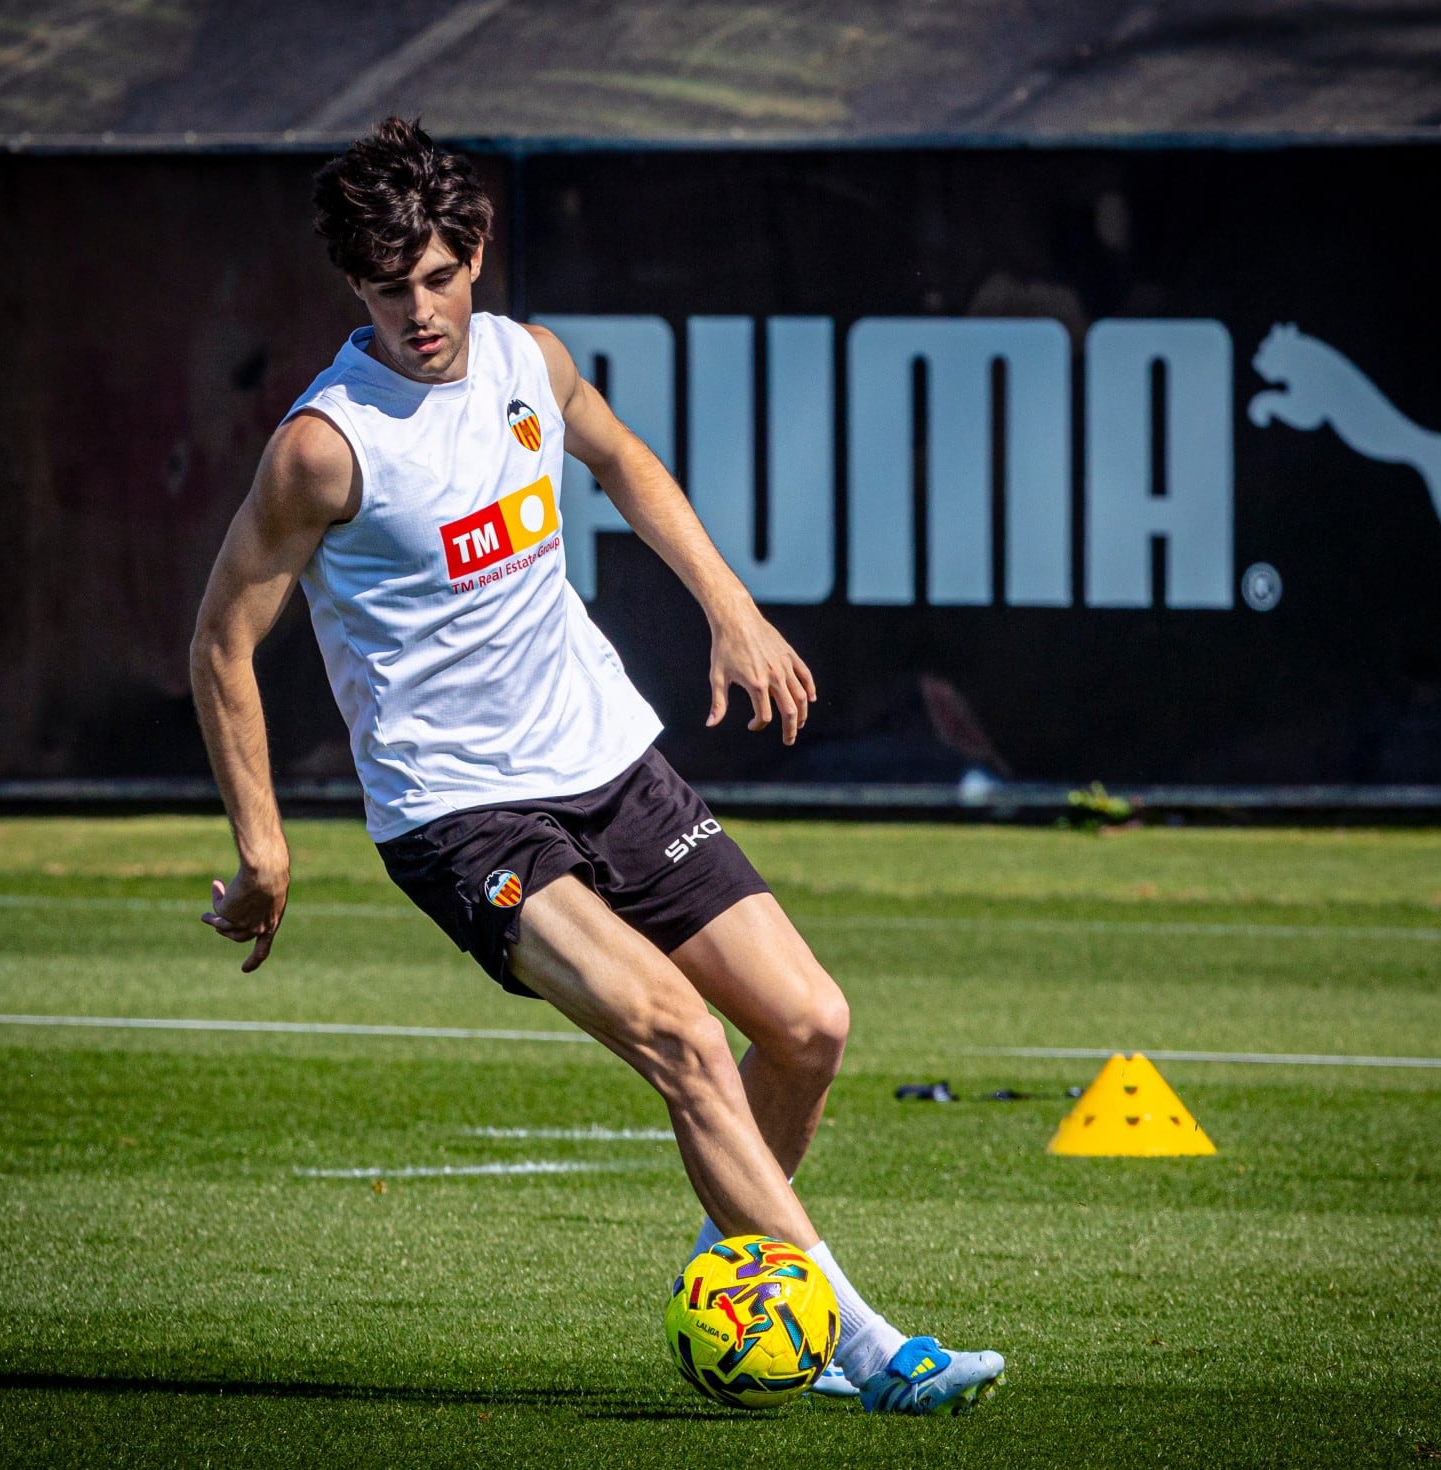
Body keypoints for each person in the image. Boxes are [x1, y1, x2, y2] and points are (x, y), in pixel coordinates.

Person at [189, 117, 1004, 1415]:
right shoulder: (326, 448)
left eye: (440, 277)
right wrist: (264, 847)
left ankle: (741, 1270)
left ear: (476, 257)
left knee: (809, 1027)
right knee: (683, 1036)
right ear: (356, 285)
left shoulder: (531, 360)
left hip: (608, 761)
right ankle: (863, 1345)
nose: (422, 313)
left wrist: (732, 609)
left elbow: (622, 460)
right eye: (391, 289)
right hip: (461, 815)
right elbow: (221, 642)